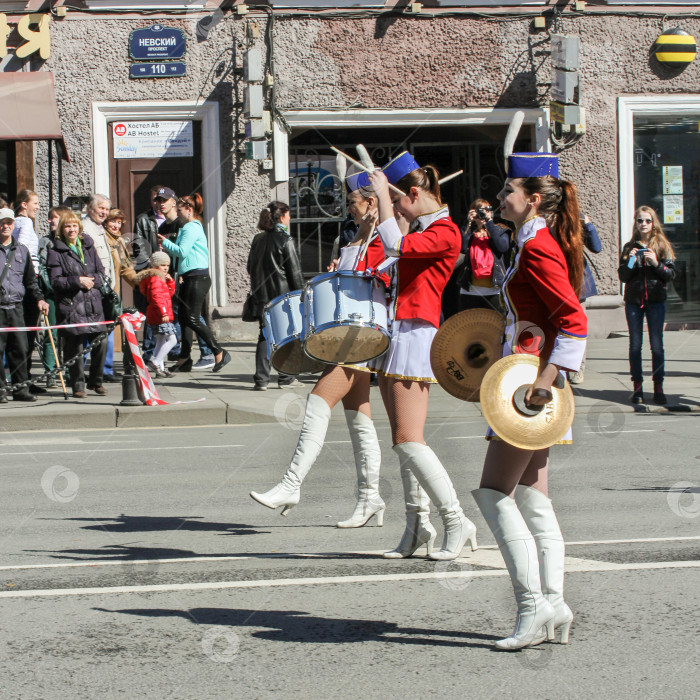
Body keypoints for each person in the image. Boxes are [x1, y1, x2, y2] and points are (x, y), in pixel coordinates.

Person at [471, 152, 587, 650]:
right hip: (528, 378)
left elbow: (574, 318)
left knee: (494, 493)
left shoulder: (538, 246)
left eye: (507, 192)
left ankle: (532, 607)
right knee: (535, 497)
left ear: (532, 200)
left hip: (530, 387)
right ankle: (555, 601)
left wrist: (544, 382)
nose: (500, 198)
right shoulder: (529, 238)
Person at [250, 171, 388, 528]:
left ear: (371, 202)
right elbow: (348, 268)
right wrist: (358, 235)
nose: (349, 210)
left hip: (361, 337)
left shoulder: (386, 238)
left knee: (317, 401)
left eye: (354, 203)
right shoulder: (363, 235)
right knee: (360, 419)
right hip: (352, 338)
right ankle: (370, 497)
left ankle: (292, 483)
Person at [368, 152, 477, 561]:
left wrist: (381, 197)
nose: (395, 209)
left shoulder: (446, 231)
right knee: (402, 442)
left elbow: (395, 244)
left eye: (398, 202)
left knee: (408, 439)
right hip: (399, 330)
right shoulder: (426, 227)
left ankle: (456, 520)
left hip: (418, 333)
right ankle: (417, 526)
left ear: (413, 194)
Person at [157, 193, 230, 373]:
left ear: (188, 210)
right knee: (184, 318)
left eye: (179, 210)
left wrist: (165, 242)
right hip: (190, 277)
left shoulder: (191, 227)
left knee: (192, 318)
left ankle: (218, 351)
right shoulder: (186, 227)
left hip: (198, 278)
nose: (178, 213)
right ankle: (184, 358)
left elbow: (182, 251)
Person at [618, 206, 676, 405]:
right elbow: (623, 277)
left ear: (654, 223)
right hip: (634, 301)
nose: (644, 224)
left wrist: (655, 262)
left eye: (647, 221)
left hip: (655, 301)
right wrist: (632, 259)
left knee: (657, 346)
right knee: (635, 346)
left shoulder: (661, 245)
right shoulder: (629, 247)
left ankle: (658, 387)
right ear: (635, 223)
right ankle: (638, 388)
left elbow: (670, 275)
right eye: (640, 221)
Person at [48, 212, 110, 399]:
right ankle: (78, 385)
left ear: (79, 228)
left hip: (93, 304)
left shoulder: (88, 246)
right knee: (74, 347)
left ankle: (96, 381)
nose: (71, 229)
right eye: (67, 226)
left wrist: (93, 280)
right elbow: (56, 281)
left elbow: (101, 272)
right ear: (62, 229)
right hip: (72, 305)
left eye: (74, 226)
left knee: (101, 342)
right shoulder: (56, 251)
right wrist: (78, 281)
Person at [246, 201, 304, 390]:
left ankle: (261, 379)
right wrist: (301, 296)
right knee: (287, 336)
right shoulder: (286, 240)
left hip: (262, 296)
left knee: (264, 335)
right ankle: (286, 378)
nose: (290, 219)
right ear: (281, 217)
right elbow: (294, 272)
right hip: (282, 296)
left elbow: (250, 268)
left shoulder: (258, 239)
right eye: (288, 215)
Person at [0, 208, 49, 402]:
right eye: (2, 222)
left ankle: (21, 390)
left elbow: (30, 280)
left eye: (9, 222)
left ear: (14, 225)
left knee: (20, 349)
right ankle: (1, 390)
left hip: (16, 307)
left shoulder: (21, 250)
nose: (5, 226)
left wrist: (39, 298)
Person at [83, 194, 121, 383]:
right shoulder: (85, 228)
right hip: (92, 289)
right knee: (85, 330)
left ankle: (105, 369)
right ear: (90, 208)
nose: (104, 212)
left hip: (104, 288)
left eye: (106, 209)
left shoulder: (99, 228)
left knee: (106, 328)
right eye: (101, 208)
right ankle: (78, 371)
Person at [12, 189, 45, 394]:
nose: (38, 206)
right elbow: (22, 252)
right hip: (29, 279)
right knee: (27, 334)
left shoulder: (22, 223)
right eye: (35, 202)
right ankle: (23, 379)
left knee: (27, 334)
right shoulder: (23, 223)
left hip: (27, 279)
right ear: (24, 204)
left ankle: (25, 377)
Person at [38, 205, 72, 387]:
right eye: (50, 218)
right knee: (52, 333)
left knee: (68, 334)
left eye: (55, 217)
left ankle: (67, 370)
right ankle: (50, 371)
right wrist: (53, 287)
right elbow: (42, 268)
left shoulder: (71, 241)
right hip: (53, 293)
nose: (50, 221)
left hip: (69, 294)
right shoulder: (45, 242)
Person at [457, 198, 510, 314]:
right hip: (470, 291)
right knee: (471, 328)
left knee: (496, 328)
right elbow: (462, 247)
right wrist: (468, 223)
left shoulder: (500, 230)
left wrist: (489, 223)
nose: (483, 213)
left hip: (494, 291)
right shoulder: (470, 233)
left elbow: (502, 247)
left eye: (487, 210)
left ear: (491, 212)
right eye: (479, 210)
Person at [568, 214, 602, 384]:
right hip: (558, 283)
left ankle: (577, 369)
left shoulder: (578, 222)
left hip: (578, 286)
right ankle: (562, 367)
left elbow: (596, 247)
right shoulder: (549, 222)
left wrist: (588, 224)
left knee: (578, 328)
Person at [137, 251, 176, 379]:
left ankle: (160, 368)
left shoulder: (160, 279)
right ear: (155, 266)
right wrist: (164, 312)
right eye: (162, 265)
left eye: (167, 265)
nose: (165, 268)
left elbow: (168, 294)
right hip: (160, 314)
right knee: (172, 340)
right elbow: (157, 297)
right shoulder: (156, 279)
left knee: (160, 340)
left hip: (159, 313)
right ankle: (155, 362)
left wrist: (170, 283)